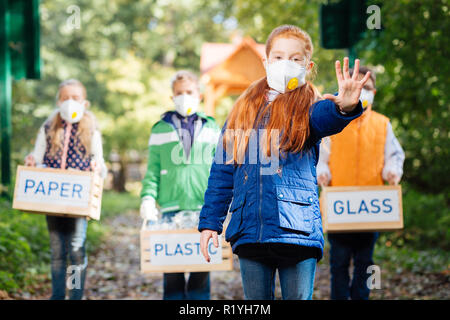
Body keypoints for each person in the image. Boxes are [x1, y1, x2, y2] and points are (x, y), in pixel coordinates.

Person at [198, 24, 372, 300]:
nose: (285, 64)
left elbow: (327, 117)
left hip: (297, 232)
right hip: (249, 232)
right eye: (278, 57)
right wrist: (210, 223)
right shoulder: (241, 111)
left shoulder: (310, 107)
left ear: (308, 65)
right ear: (266, 62)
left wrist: (345, 106)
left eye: (295, 59)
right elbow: (222, 171)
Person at [317, 66, 405, 300]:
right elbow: (321, 157)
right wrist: (322, 171)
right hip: (338, 208)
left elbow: (395, 156)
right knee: (339, 262)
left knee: (365, 262)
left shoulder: (382, 124)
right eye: (358, 86)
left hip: (370, 208)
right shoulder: (334, 123)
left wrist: (392, 171)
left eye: (366, 87)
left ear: (373, 91)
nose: (362, 91)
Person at [140, 70, 220, 300]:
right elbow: (153, 170)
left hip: (203, 210)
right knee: (172, 275)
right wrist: (147, 198)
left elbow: (220, 171)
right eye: (179, 93)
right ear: (172, 97)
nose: (184, 96)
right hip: (170, 211)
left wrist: (225, 202)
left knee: (201, 274)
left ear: (199, 95)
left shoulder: (213, 128)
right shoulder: (160, 129)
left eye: (189, 92)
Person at [24, 79, 107, 300]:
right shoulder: (49, 127)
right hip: (52, 200)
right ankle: (58, 296)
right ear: (58, 101)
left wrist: (98, 169)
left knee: (76, 250)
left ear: (85, 102)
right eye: (65, 98)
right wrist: (32, 163)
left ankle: (76, 295)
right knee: (57, 251)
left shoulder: (92, 130)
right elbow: (37, 158)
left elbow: (101, 164)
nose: (70, 102)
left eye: (75, 98)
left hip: (79, 201)